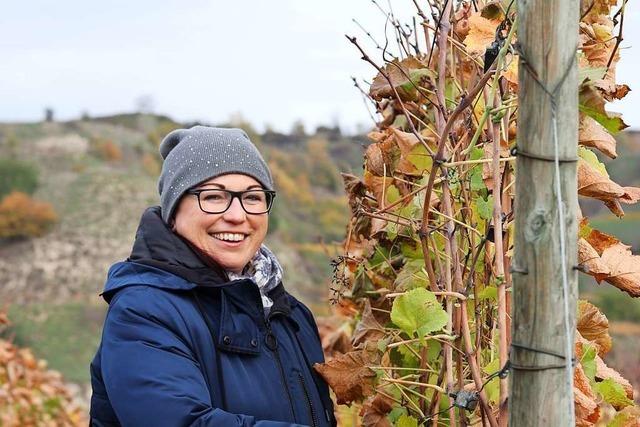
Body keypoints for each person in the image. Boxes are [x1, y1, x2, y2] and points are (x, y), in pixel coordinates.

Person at [89, 126, 336, 426]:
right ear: (174, 210)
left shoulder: (292, 315)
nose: (237, 214)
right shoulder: (143, 311)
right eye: (214, 197)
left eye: (253, 197)